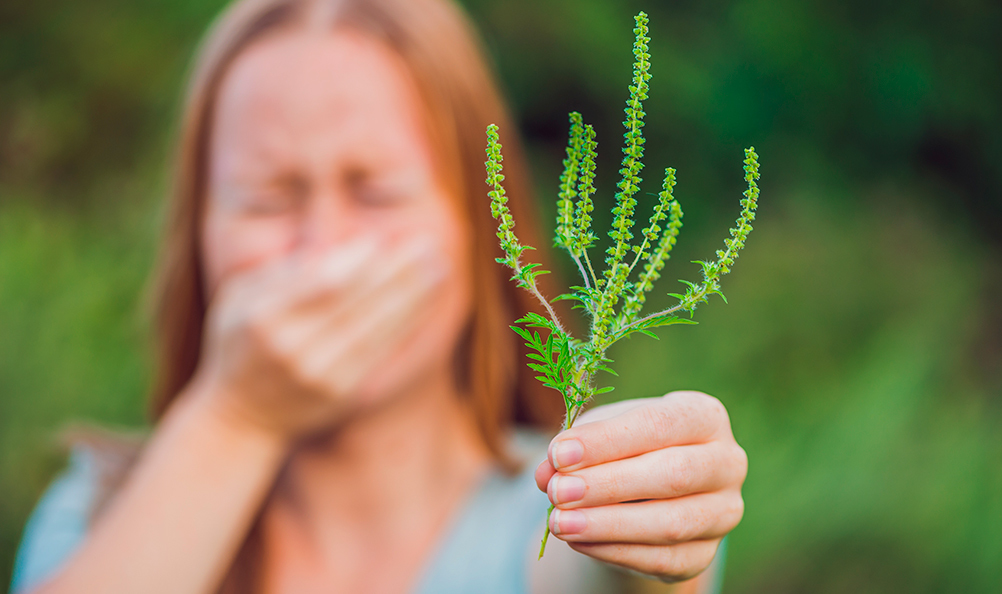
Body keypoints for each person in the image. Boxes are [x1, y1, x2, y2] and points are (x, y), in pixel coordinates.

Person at [10, 0, 748, 592]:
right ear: (196, 234)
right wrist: (236, 418)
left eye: (378, 192)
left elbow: (598, 574)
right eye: (268, 199)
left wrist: (650, 539)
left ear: (481, 227)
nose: (324, 248)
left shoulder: (534, 514)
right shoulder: (101, 513)